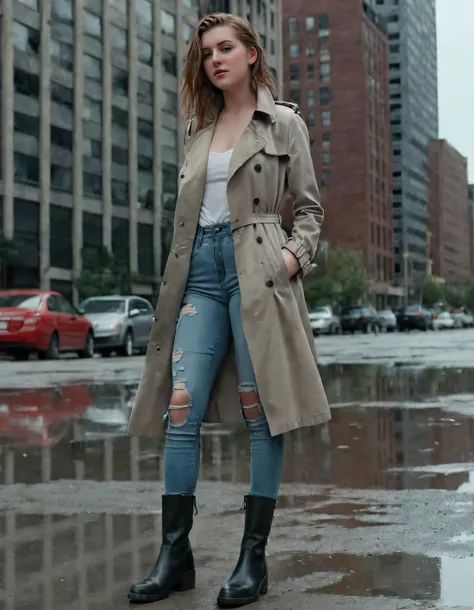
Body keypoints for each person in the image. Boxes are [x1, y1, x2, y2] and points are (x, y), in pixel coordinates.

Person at [127, 12, 331, 608]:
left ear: (250, 54)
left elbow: (311, 212)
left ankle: (252, 558)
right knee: (180, 408)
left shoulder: (283, 122)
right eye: (206, 52)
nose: (214, 59)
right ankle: (175, 555)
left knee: (260, 409)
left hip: (258, 269)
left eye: (225, 48)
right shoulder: (200, 130)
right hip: (200, 275)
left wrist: (289, 263)